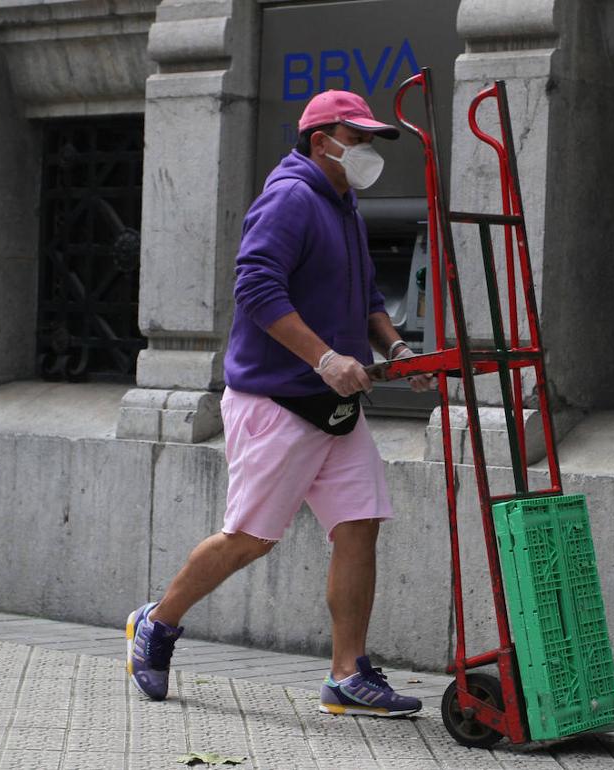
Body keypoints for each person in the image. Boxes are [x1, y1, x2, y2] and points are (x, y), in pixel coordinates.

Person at [126, 90, 431, 718]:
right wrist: (324, 358)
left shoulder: (343, 202)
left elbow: (371, 296)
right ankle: (157, 622)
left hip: (335, 407)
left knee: (358, 526)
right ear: (324, 140)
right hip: (278, 401)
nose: (369, 151)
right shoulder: (291, 196)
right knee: (249, 538)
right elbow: (257, 288)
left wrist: (398, 349)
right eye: (361, 137)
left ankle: (348, 675)